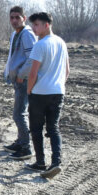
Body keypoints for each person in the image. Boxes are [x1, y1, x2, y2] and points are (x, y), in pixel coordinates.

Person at [25, 11, 70, 179]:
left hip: (40, 93)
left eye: (37, 25)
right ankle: (56, 162)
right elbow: (67, 71)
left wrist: (29, 90)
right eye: (33, 25)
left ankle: (40, 162)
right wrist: (59, 84)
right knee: (53, 127)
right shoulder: (62, 42)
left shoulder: (40, 45)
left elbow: (33, 73)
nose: (34, 28)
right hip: (57, 92)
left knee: (36, 128)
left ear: (47, 25)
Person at [2, 6, 37, 160]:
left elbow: (32, 58)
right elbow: (12, 56)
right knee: (19, 112)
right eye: (12, 17)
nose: (14, 20)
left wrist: (21, 75)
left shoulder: (26, 35)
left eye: (17, 17)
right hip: (18, 79)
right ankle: (20, 141)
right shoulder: (16, 34)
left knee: (19, 114)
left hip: (24, 80)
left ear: (24, 17)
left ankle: (26, 147)